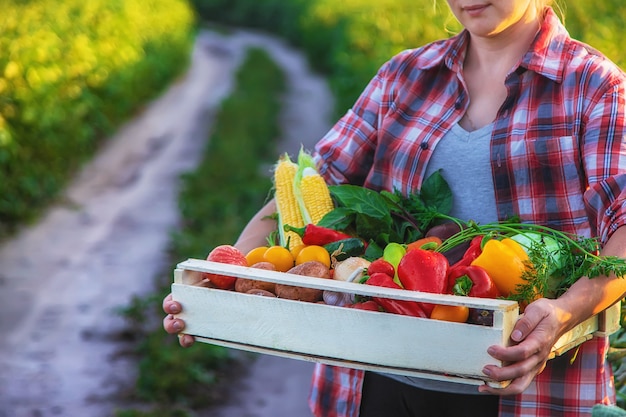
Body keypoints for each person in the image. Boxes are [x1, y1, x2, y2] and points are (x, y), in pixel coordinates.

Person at [163, 0, 626, 415]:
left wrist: (565, 311)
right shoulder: (404, 76)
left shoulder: (592, 86)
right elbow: (314, 181)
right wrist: (228, 277)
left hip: (525, 388)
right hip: (378, 374)